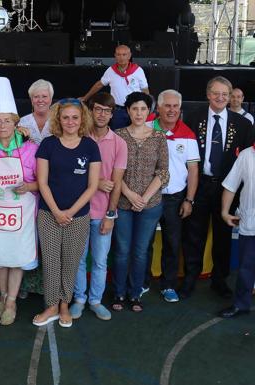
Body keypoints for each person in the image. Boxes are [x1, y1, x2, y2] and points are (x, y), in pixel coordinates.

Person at [181, 76, 254, 299]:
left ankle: (219, 280)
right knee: (194, 235)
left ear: (231, 95)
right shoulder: (193, 118)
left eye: (225, 94)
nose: (221, 98)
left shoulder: (243, 124)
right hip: (199, 185)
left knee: (223, 237)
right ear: (208, 94)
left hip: (227, 191)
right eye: (216, 93)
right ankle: (190, 278)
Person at [31, 98, 100, 328]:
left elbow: (92, 186)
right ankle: (50, 305)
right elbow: (42, 182)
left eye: (75, 117)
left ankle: (64, 304)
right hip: (49, 214)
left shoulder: (90, 146)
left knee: (71, 261)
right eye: (65, 117)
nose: (70, 121)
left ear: (82, 120)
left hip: (78, 216)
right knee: (51, 261)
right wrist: (56, 211)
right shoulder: (48, 144)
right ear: (58, 119)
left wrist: (70, 211)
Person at [0, 77, 39, 326]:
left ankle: (12, 300)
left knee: (17, 257)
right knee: (0, 256)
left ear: (17, 124)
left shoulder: (31, 149)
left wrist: (28, 186)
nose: (3, 125)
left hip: (23, 212)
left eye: (8, 121)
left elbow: (42, 182)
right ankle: (3, 296)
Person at [70, 92, 127, 321]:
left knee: (101, 261)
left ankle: (95, 300)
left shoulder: (119, 143)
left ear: (112, 114)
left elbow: (117, 182)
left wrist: (111, 215)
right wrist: (95, 183)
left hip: (103, 212)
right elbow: (70, 175)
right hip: (79, 211)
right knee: (79, 259)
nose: (102, 115)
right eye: (98, 109)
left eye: (107, 110)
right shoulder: (80, 138)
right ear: (91, 111)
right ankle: (79, 299)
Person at [110, 92, 169, 313]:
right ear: (127, 111)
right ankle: (118, 292)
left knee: (141, 251)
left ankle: (135, 294)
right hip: (123, 203)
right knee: (122, 250)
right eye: (134, 109)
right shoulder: (117, 136)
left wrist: (143, 198)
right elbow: (112, 172)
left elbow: (163, 172)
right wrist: (129, 194)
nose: (139, 113)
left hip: (150, 204)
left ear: (149, 112)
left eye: (143, 109)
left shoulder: (158, 137)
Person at [142, 89, 199, 302]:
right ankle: (142, 282)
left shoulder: (188, 134)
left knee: (172, 244)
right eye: (167, 105)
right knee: (144, 243)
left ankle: (168, 285)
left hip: (175, 199)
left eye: (176, 106)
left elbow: (193, 170)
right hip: (148, 197)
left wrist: (189, 199)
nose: (172, 110)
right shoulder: (146, 128)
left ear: (180, 109)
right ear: (158, 107)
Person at [217, 143, 255, 318]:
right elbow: (231, 185)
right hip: (251, 222)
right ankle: (241, 304)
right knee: (246, 267)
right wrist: (225, 212)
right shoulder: (247, 155)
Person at [79, 45, 150, 130]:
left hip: (135, 110)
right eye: (118, 54)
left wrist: (147, 107)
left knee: (136, 133)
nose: (121, 57)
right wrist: (85, 97)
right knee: (117, 135)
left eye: (124, 54)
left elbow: (145, 90)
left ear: (129, 55)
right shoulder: (111, 71)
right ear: (115, 56)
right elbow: (99, 84)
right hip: (118, 111)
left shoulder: (138, 70)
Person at [19, 79, 54, 144]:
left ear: (51, 99)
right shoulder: (21, 122)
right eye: (36, 96)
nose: (40, 100)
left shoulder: (59, 120)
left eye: (44, 96)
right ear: (32, 100)